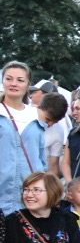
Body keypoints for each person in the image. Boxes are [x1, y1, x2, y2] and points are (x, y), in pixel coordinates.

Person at [1, 61, 46, 216]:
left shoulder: (36, 114)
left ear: (28, 84)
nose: (14, 84)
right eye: (9, 79)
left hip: (30, 194)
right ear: (3, 81)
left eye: (20, 80)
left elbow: (41, 156)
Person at [29, 92, 68, 183]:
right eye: (48, 119)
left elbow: (53, 165)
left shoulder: (58, 130)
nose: (50, 124)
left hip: (38, 178)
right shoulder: (23, 119)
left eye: (55, 121)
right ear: (39, 108)